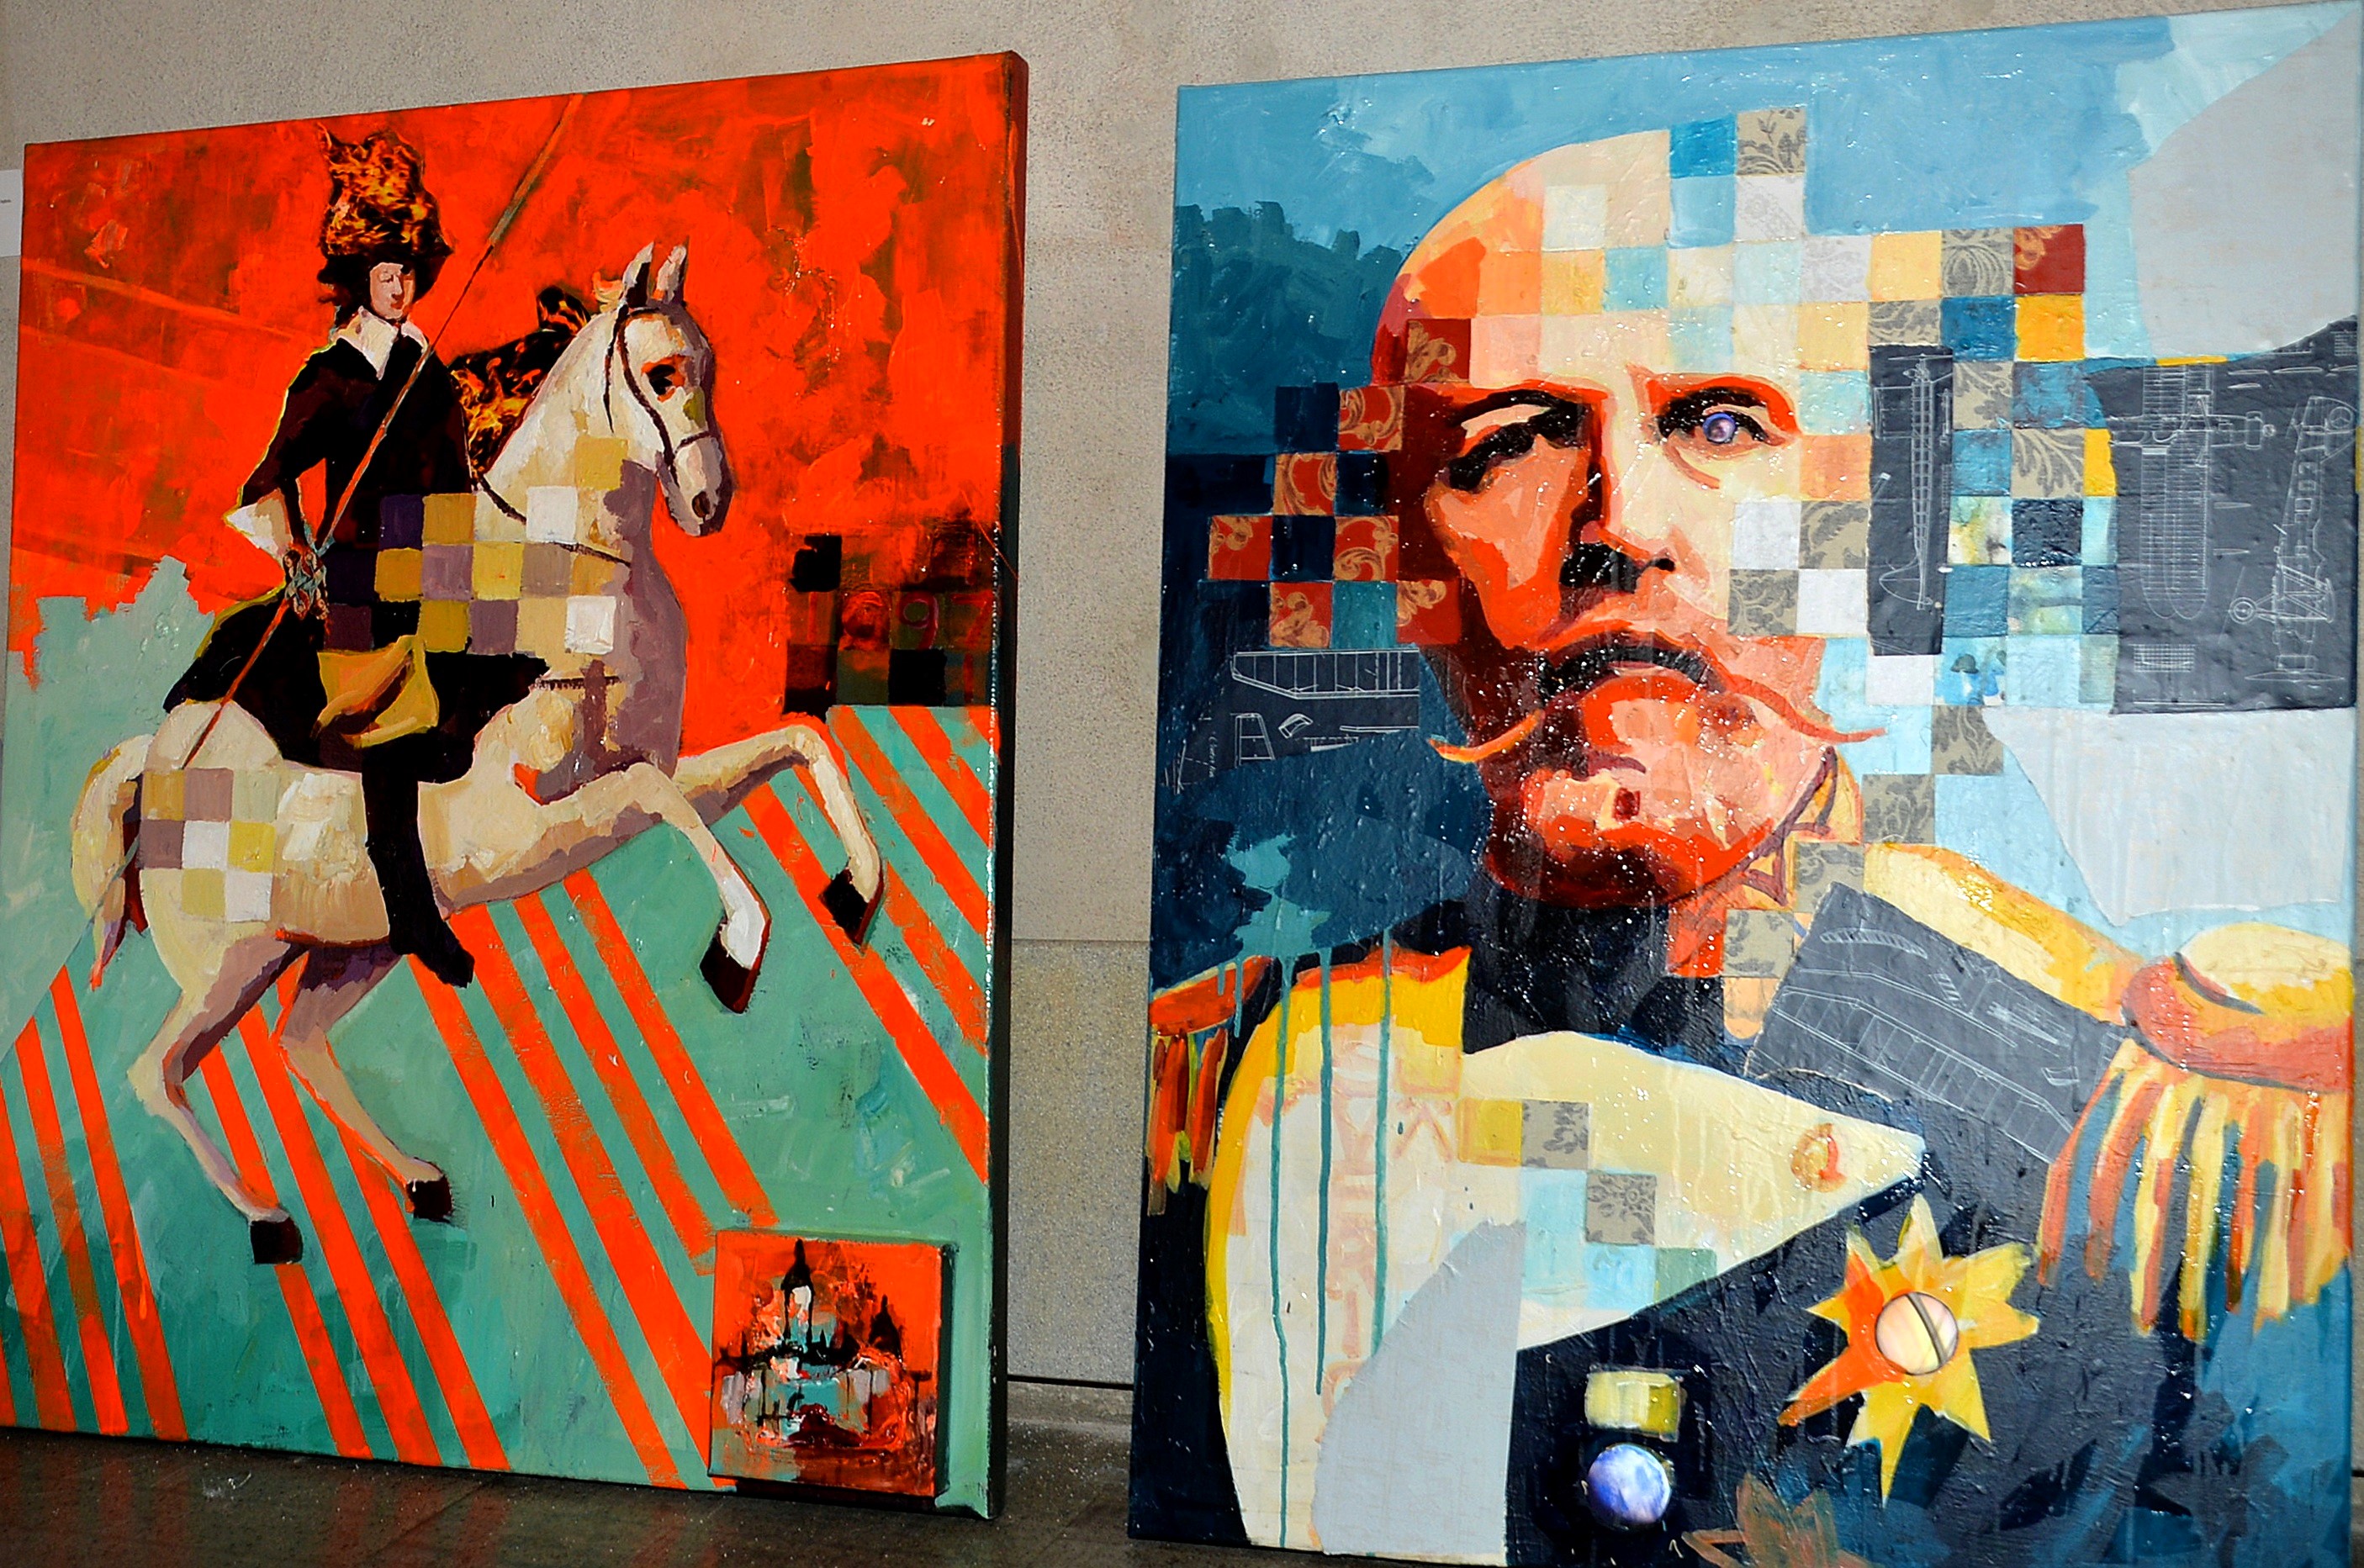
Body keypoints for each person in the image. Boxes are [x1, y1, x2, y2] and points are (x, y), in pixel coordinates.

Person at [1135, 120, 2352, 1565]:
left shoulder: (2160, 1123)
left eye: (1718, 424)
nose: (1619, 524)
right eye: (1509, 443)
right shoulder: (1236, 1088)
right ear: (1408, 566)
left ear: (1860, 522)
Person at [167, 129, 542, 985]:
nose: (399, 284)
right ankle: (411, 913)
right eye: (385, 269)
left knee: (513, 677)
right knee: (392, 729)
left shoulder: (428, 374)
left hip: (438, 569)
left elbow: (458, 482)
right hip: (361, 588)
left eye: (408, 269)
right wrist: (296, 551)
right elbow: (268, 482)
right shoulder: (330, 378)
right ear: (358, 276)